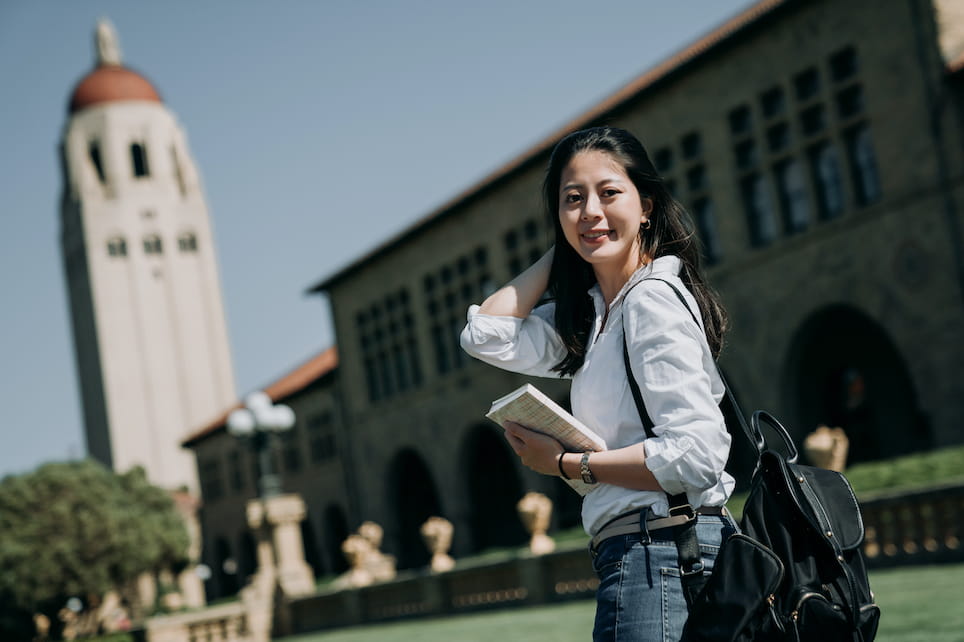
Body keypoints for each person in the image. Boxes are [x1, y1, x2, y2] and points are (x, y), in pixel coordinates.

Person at [460, 126, 736, 641]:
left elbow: (697, 456)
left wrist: (566, 465)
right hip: (641, 555)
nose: (590, 209)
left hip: (663, 554)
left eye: (609, 193)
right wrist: (568, 248)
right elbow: (484, 335)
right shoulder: (595, 319)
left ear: (646, 204)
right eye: (572, 199)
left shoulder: (649, 300)